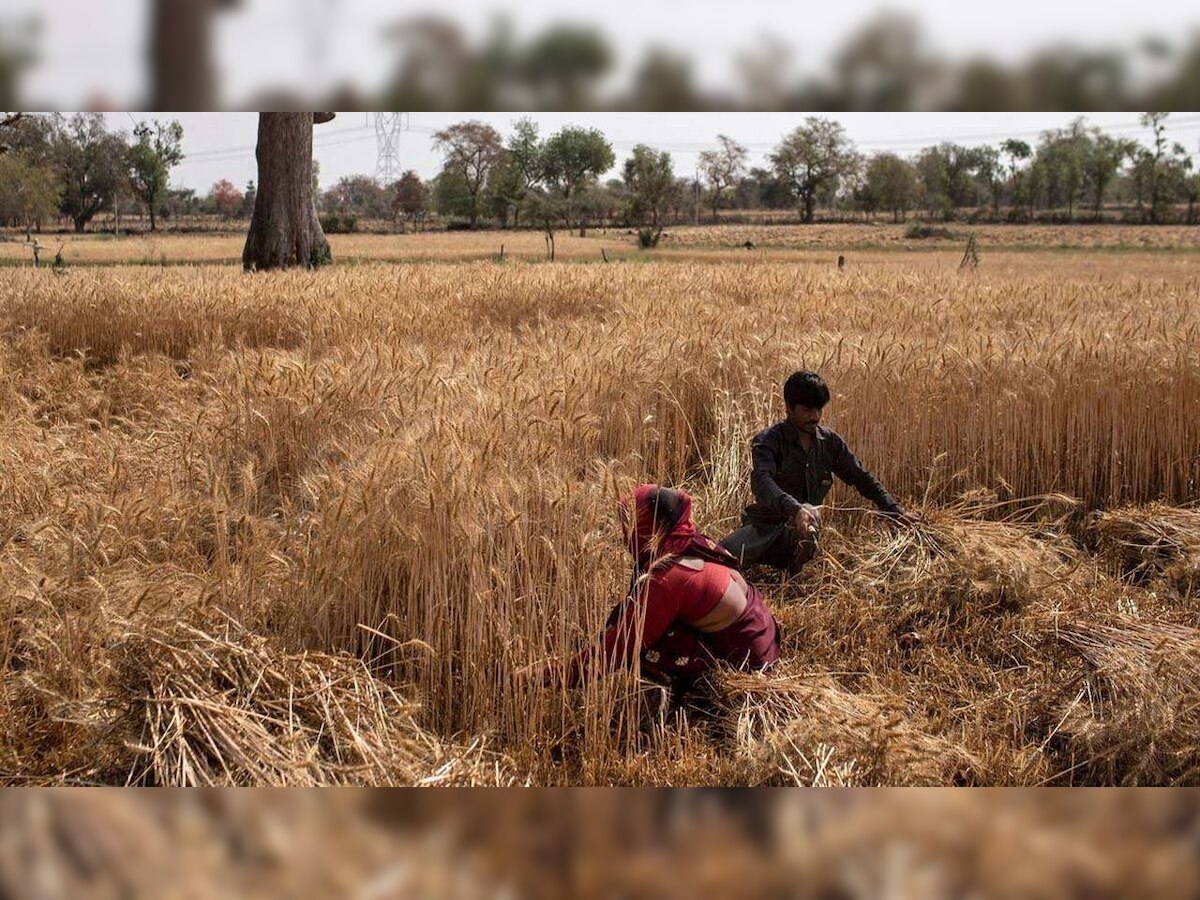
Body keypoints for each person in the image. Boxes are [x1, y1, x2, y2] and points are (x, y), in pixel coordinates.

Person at [527, 484, 781, 693]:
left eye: (630, 524)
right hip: (764, 636)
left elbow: (616, 650)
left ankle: (692, 696)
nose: (624, 534)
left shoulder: (668, 581)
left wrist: (544, 676)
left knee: (646, 649)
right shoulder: (690, 541)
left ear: (650, 528)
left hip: (749, 664)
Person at [721, 370, 913, 575]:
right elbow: (762, 482)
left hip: (806, 533)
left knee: (811, 517)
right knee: (720, 557)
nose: (815, 416)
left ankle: (794, 570)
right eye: (807, 410)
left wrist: (895, 512)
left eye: (819, 409)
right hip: (765, 529)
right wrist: (796, 510)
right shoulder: (768, 441)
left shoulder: (830, 443)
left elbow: (862, 478)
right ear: (788, 407)